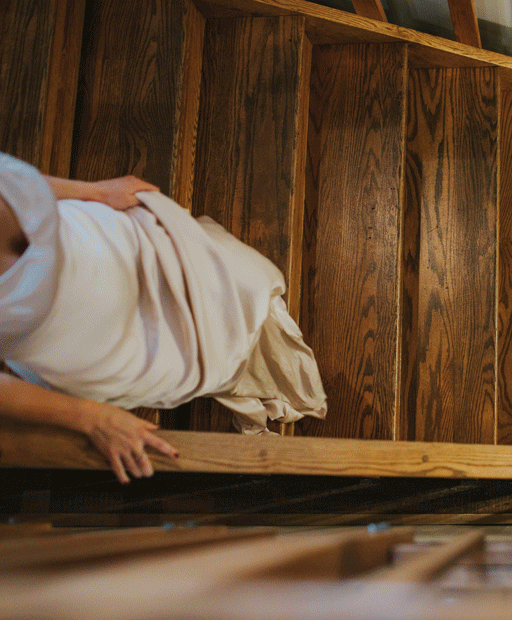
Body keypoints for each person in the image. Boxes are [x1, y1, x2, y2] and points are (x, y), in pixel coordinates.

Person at [0, 153, 327, 484]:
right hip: (84, 335)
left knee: (235, 280)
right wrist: (92, 418)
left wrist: (95, 192)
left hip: (102, 238)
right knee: (205, 355)